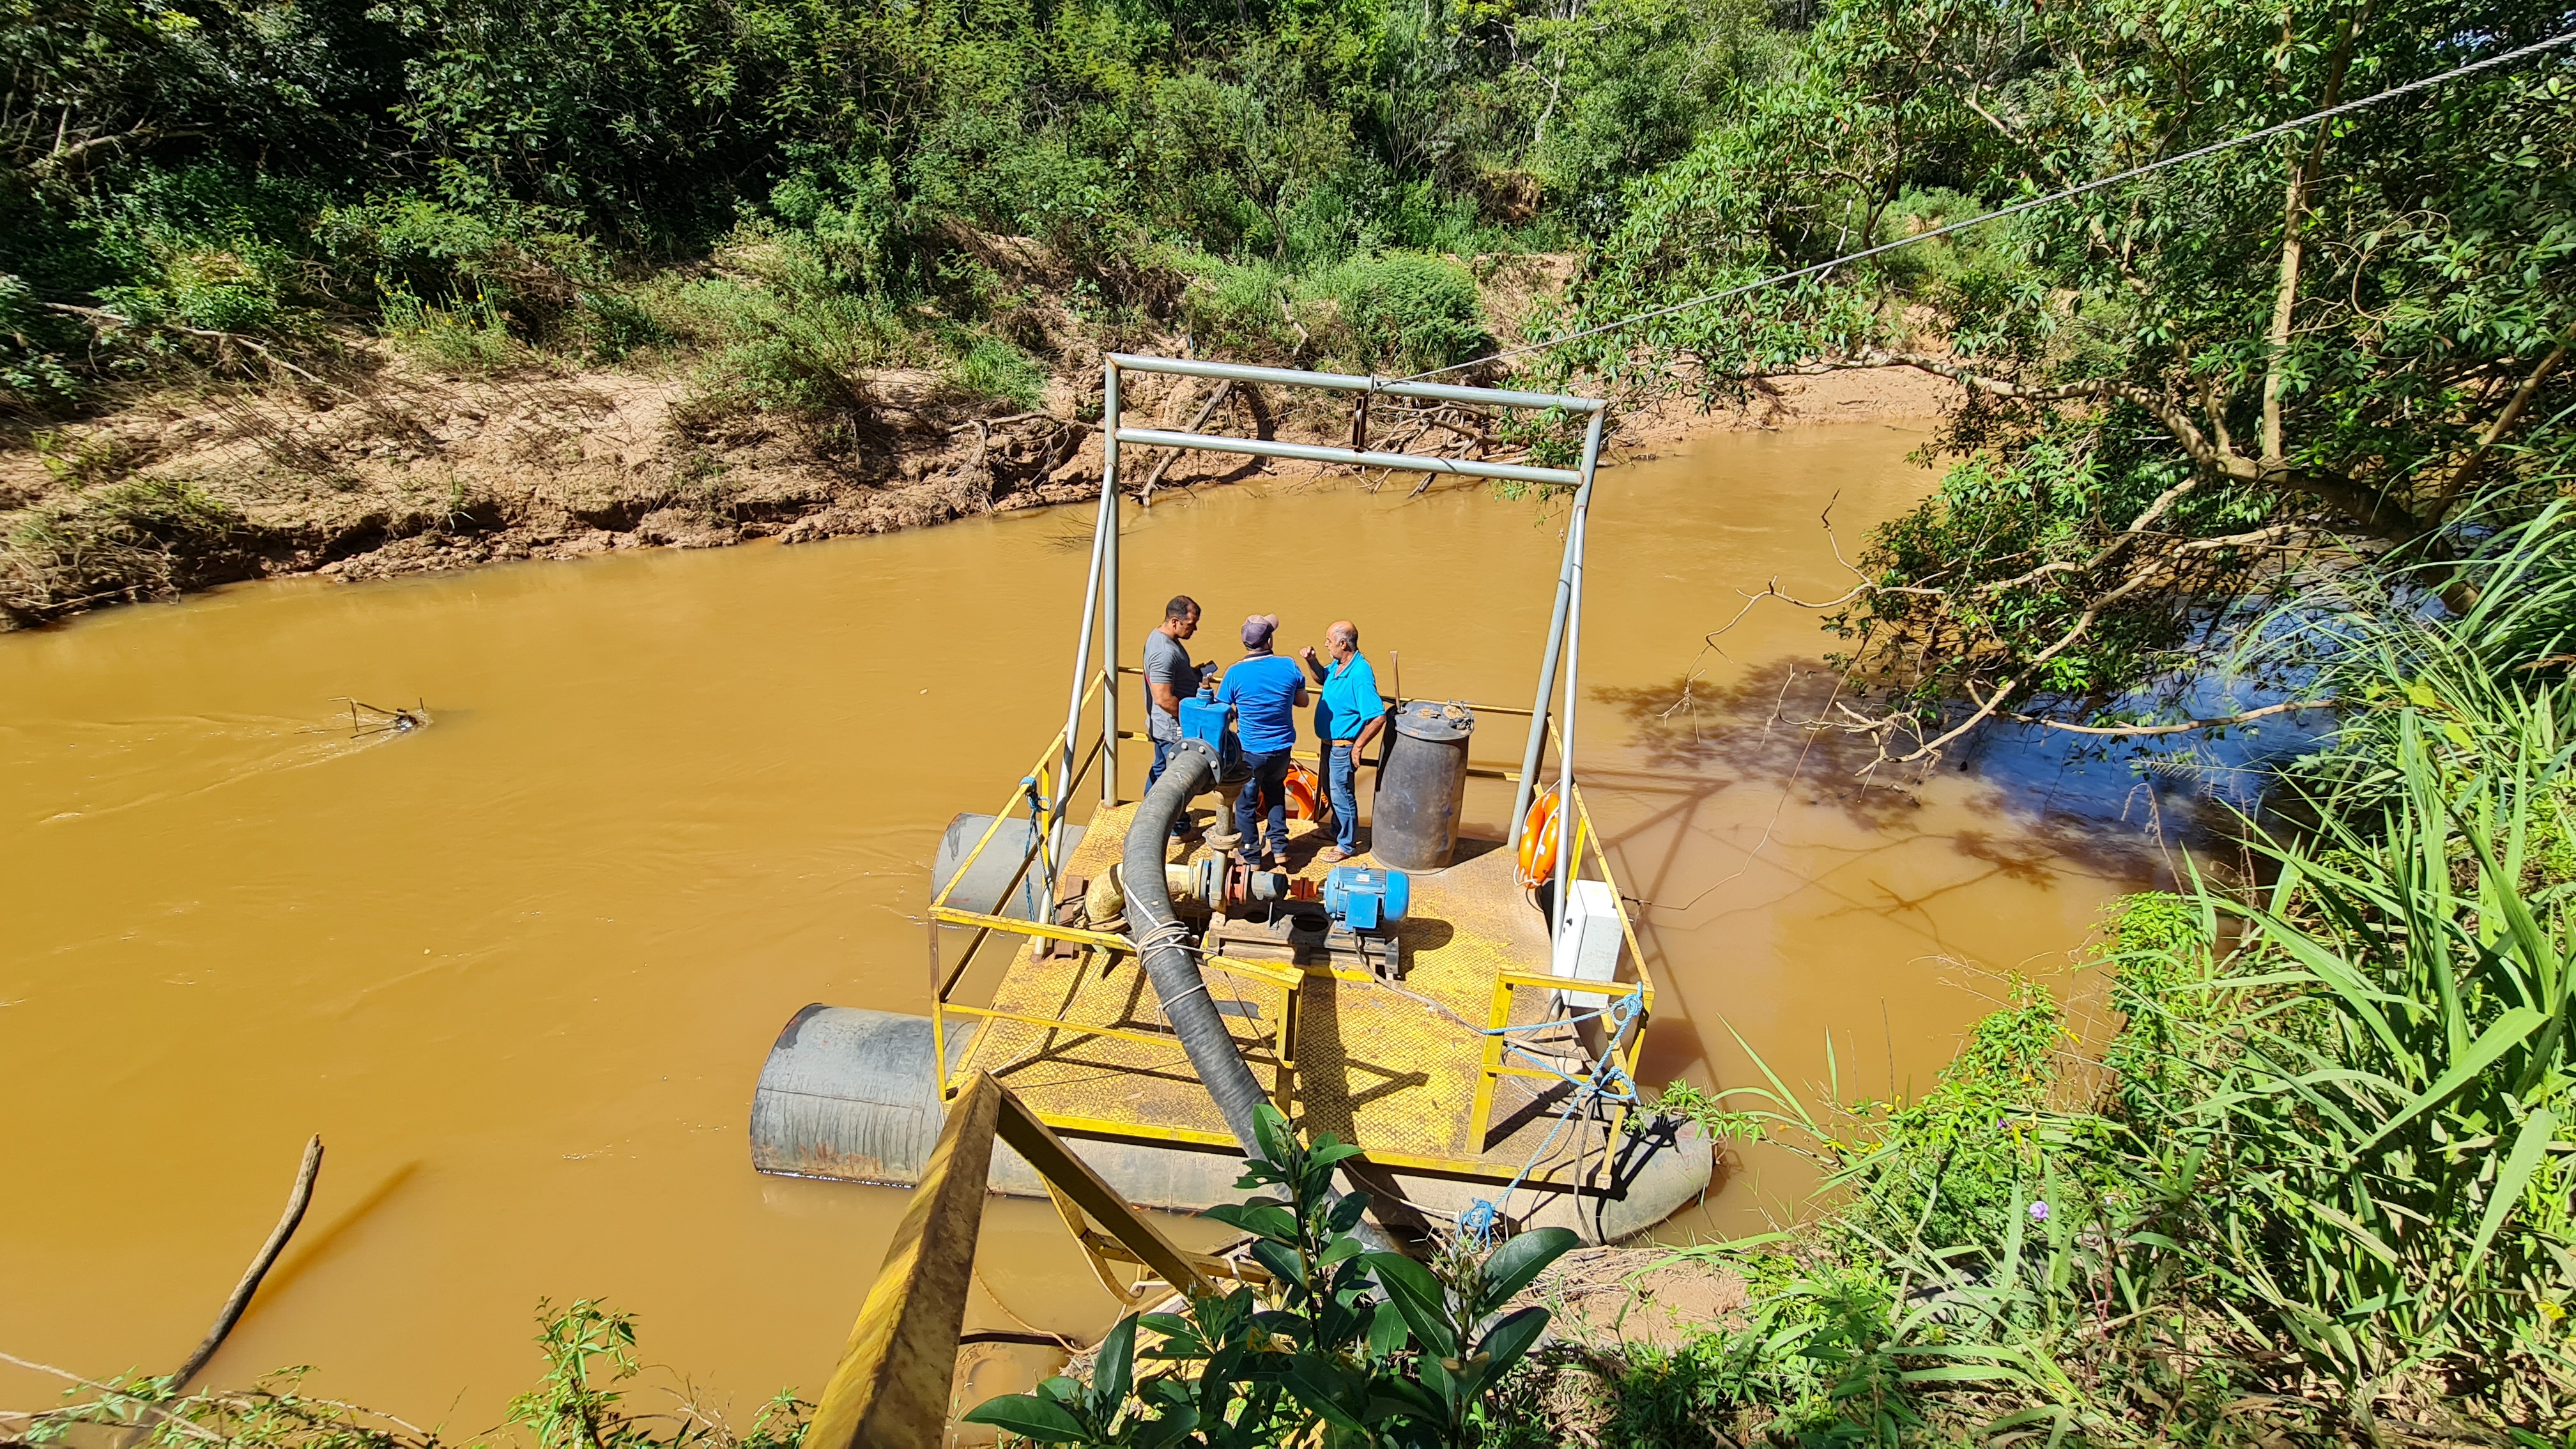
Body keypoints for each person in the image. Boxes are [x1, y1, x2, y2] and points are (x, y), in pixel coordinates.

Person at [1215, 613, 1307, 868]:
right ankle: (1280, 849)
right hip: (1282, 749)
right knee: (1276, 792)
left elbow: (1222, 711)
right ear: (1269, 640)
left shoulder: (1234, 673)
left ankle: (1252, 856)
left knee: (1246, 803)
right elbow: (1303, 702)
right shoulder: (1289, 665)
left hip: (1251, 752)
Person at [1298, 620, 1385, 863]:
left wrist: (1358, 747)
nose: (1326, 644)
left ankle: (1346, 844)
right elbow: (1322, 679)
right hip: (1328, 745)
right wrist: (1312, 661)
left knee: (1342, 795)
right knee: (1330, 790)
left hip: (1343, 748)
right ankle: (1337, 830)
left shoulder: (1360, 674)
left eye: (1329, 641)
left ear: (1343, 643)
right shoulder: (1339, 665)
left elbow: (1378, 716)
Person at [1142, 595, 1205, 838]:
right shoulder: (1164, 652)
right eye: (1191, 625)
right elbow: (1163, 698)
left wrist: (1190, 674)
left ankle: (1149, 818)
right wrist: (1192, 718)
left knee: (1160, 772)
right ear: (1175, 622)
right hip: (1171, 729)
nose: (1195, 629)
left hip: (1165, 727)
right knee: (1177, 779)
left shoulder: (1162, 638)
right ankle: (1177, 829)